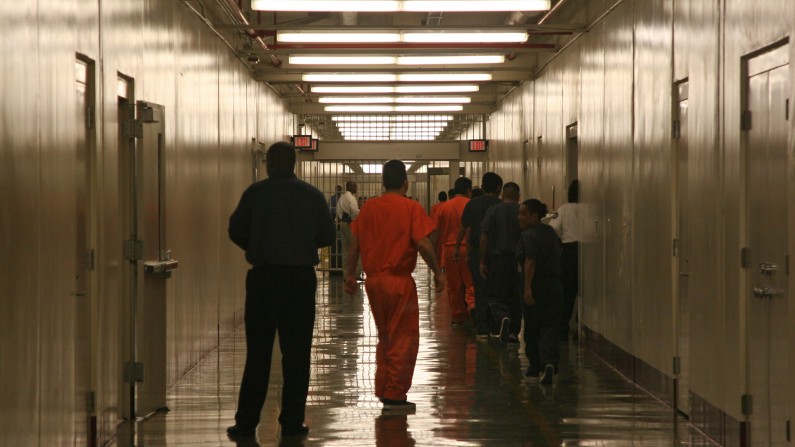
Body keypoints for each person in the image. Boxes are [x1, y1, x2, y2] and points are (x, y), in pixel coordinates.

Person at [226, 142, 336, 439]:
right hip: (300, 280)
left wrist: (258, 245)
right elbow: (328, 234)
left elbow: (235, 229)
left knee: (258, 353)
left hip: (264, 279)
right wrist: (301, 244)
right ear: (295, 163)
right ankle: (291, 423)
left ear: (269, 164)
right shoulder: (312, 196)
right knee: (297, 354)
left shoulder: (255, 193)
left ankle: (247, 423)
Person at [343, 160, 445, 412]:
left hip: (374, 282)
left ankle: (384, 388)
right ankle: (395, 394)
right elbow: (423, 244)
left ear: (382, 182)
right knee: (403, 338)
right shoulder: (411, 207)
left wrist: (348, 276)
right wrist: (438, 272)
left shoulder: (368, 209)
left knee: (385, 337)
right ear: (405, 182)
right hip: (399, 282)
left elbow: (355, 246)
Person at [517, 199, 563, 385]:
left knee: (533, 326)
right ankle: (550, 363)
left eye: (524, 213)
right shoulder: (550, 232)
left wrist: (527, 288)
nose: (519, 217)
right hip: (555, 285)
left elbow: (530, 262)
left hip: (536, 285)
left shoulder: (527, 235)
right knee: (551, 325)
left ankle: (535, 367)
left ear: (535, 216)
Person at [454, 172, 502, 338]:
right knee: (496, 288)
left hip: (475, 251)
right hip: (498, 252)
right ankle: (496, 324)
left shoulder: (472, 204)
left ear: (482, 187)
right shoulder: (501, 205)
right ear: (499, 188)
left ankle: (482, 326)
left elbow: (464, 227)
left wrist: (458, 247)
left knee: (479, 288)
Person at [479, 182, 521, 345]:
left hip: (498, 260)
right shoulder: (521, 211)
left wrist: (482, 260)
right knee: (516, 296)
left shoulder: (494, 210)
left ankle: (503, 316)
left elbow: (484, 237)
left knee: (496, 295)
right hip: (518, 261)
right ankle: (513, 333)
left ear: (502, 195)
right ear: (518, 197)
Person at [435, 177, 474, 327]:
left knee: (454, 284)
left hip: (449, 250)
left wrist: (435, 253)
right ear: (468, 190)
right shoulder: (470, 204)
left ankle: (458, 316)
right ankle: (472, 307)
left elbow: (436, 232)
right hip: (467, 247)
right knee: (470, 282)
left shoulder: (444, 207)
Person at [549, 179, 580, 341]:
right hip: (589, 252)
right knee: (588, 292)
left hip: (569, 251)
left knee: (567, 292)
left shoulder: (564, 209)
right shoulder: (591, 209)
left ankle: (563, 327)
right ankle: (581, 322)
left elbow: (553, 228)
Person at [338, 180, 362, 280]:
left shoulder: (341, 198)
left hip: (342, 223)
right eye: (355, 186)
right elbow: (355, 212)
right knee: (357, 248)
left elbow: (339, 212)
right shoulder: (351, 198)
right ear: (350, 187)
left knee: (345, 250)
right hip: (350, 224)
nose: (356, 188)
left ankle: (346, 274)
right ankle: (355, 274)